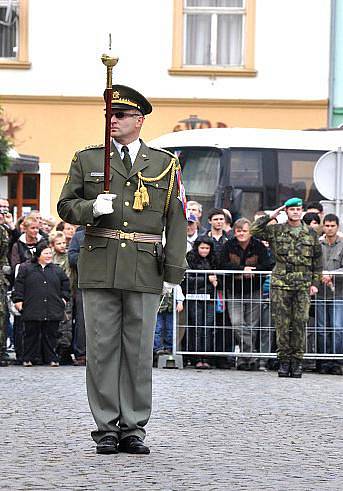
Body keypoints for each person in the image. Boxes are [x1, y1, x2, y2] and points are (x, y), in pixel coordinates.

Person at [57, 84, 187, 455]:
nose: (112, 120)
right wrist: (89, 209)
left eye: (120, 115)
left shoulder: (165, 163)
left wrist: (174, 275)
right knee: (101, 350)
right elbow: (65, 205)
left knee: (138, 350)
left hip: (145, 268)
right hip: (100, 264)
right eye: (109, 115)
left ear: (139, 120)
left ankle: (133, 427)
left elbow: (176, 220)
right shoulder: (88, 159)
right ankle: (106, 428)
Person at [250, 198, 322, 378]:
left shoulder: (310, 234)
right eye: (292, 209)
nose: (296, 212)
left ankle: (297, 362)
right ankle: (284, 361)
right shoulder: (276, 230)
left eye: (298, 209)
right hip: (281, 283)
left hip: (303, 284)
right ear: (286, 211)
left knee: (300, 322)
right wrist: (271, 215)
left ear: (302, 212)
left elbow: (318, 262)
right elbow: (254, 230)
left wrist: (315, 283)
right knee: (282, 323)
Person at [219, 218, 273, 370]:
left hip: (254, 290)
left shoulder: (259, 246)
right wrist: (241, 269)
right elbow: (222, 264)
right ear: (234, 232)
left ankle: (245, 359)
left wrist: (254, 272)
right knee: (237, 323)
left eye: (244, 231)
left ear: (250, 232)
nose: (242, 234)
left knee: (251, 325)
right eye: (239, 231)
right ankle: (251, 354)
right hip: (234, 291)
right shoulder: (228, 245)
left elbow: (267, 265)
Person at [13, 242, 70, 367]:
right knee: (30, 335)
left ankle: (51, 358)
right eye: (46, 253)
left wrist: (64, 299)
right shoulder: (26, 268)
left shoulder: (57, 270)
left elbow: (66, 285)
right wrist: (18, 300)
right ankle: (28, 358)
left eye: (50, 253)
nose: (49, 255)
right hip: (32, 307)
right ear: (38, 255)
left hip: (53, 307)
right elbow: (19, 285)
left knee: (51, 335)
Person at [184, 235, 218, 368]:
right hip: (194, 297)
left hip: (209, 297)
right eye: (202, 247)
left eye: (207, 248)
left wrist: (216, 281)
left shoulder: (213, 260)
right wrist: (206, 279)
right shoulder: (190, 259)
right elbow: (188, 280)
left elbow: (218, 277)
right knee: (197, 327)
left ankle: (206, 357)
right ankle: (196, 358)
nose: (204, 250)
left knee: (208, 328)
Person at [316, 214, 343, 375]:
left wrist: (332, 274)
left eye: (332, 225)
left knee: (338, 327)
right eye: (327, 225)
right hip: (320, 292)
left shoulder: (342, 244)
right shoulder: (318, 244)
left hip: (338, 292)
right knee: (321, 328)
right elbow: (313, 264)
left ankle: (337, 360)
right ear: (323, 226)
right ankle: (323, 361)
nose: (329, 228)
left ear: (337, 227)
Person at [49, 231, 74, 365]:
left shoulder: (68, 256)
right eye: (59, 243)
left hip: (66, 293)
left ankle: (64, 350)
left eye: (64, 243)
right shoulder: (50, 257)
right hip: (52, 294)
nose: (62, 245)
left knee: (66, 323)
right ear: (52, 245)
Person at [68, 225, 86, 366]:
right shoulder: (79, 236)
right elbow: (72, 258)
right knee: (82, 320)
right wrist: (89, 257)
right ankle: (81, 353)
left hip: (106, 283)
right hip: (83, 283)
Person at [153, 285, 184, 355]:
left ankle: (168, 348)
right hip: (158, 308)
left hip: (170, 308)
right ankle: (157, 348)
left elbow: (178, 290)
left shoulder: (174, 284)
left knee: (170, 329)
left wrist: (180, 302)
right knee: (158, 328)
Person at [0, 200, 11, 366]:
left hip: (2, 277)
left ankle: (1, 350)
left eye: (6, 210)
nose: (3, 214)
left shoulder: (4, 230)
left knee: (3, 313)